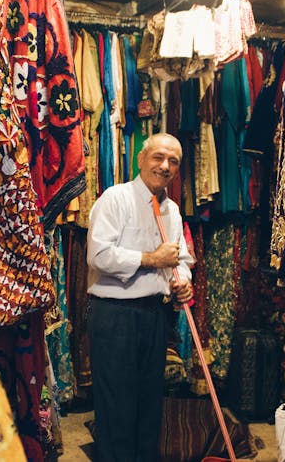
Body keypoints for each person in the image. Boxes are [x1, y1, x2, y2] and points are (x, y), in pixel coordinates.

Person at [87, 132, 195, 461]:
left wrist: (183, 282)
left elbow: (182, 261)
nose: (164, 166)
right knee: (117, 404)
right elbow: (99, 256)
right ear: (141, 159)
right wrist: (151, 258)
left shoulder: (173, 211)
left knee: (150, 402)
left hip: (154, 316)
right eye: (158, 157)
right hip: (115, 315)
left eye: (173, 161)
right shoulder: (114, 199)